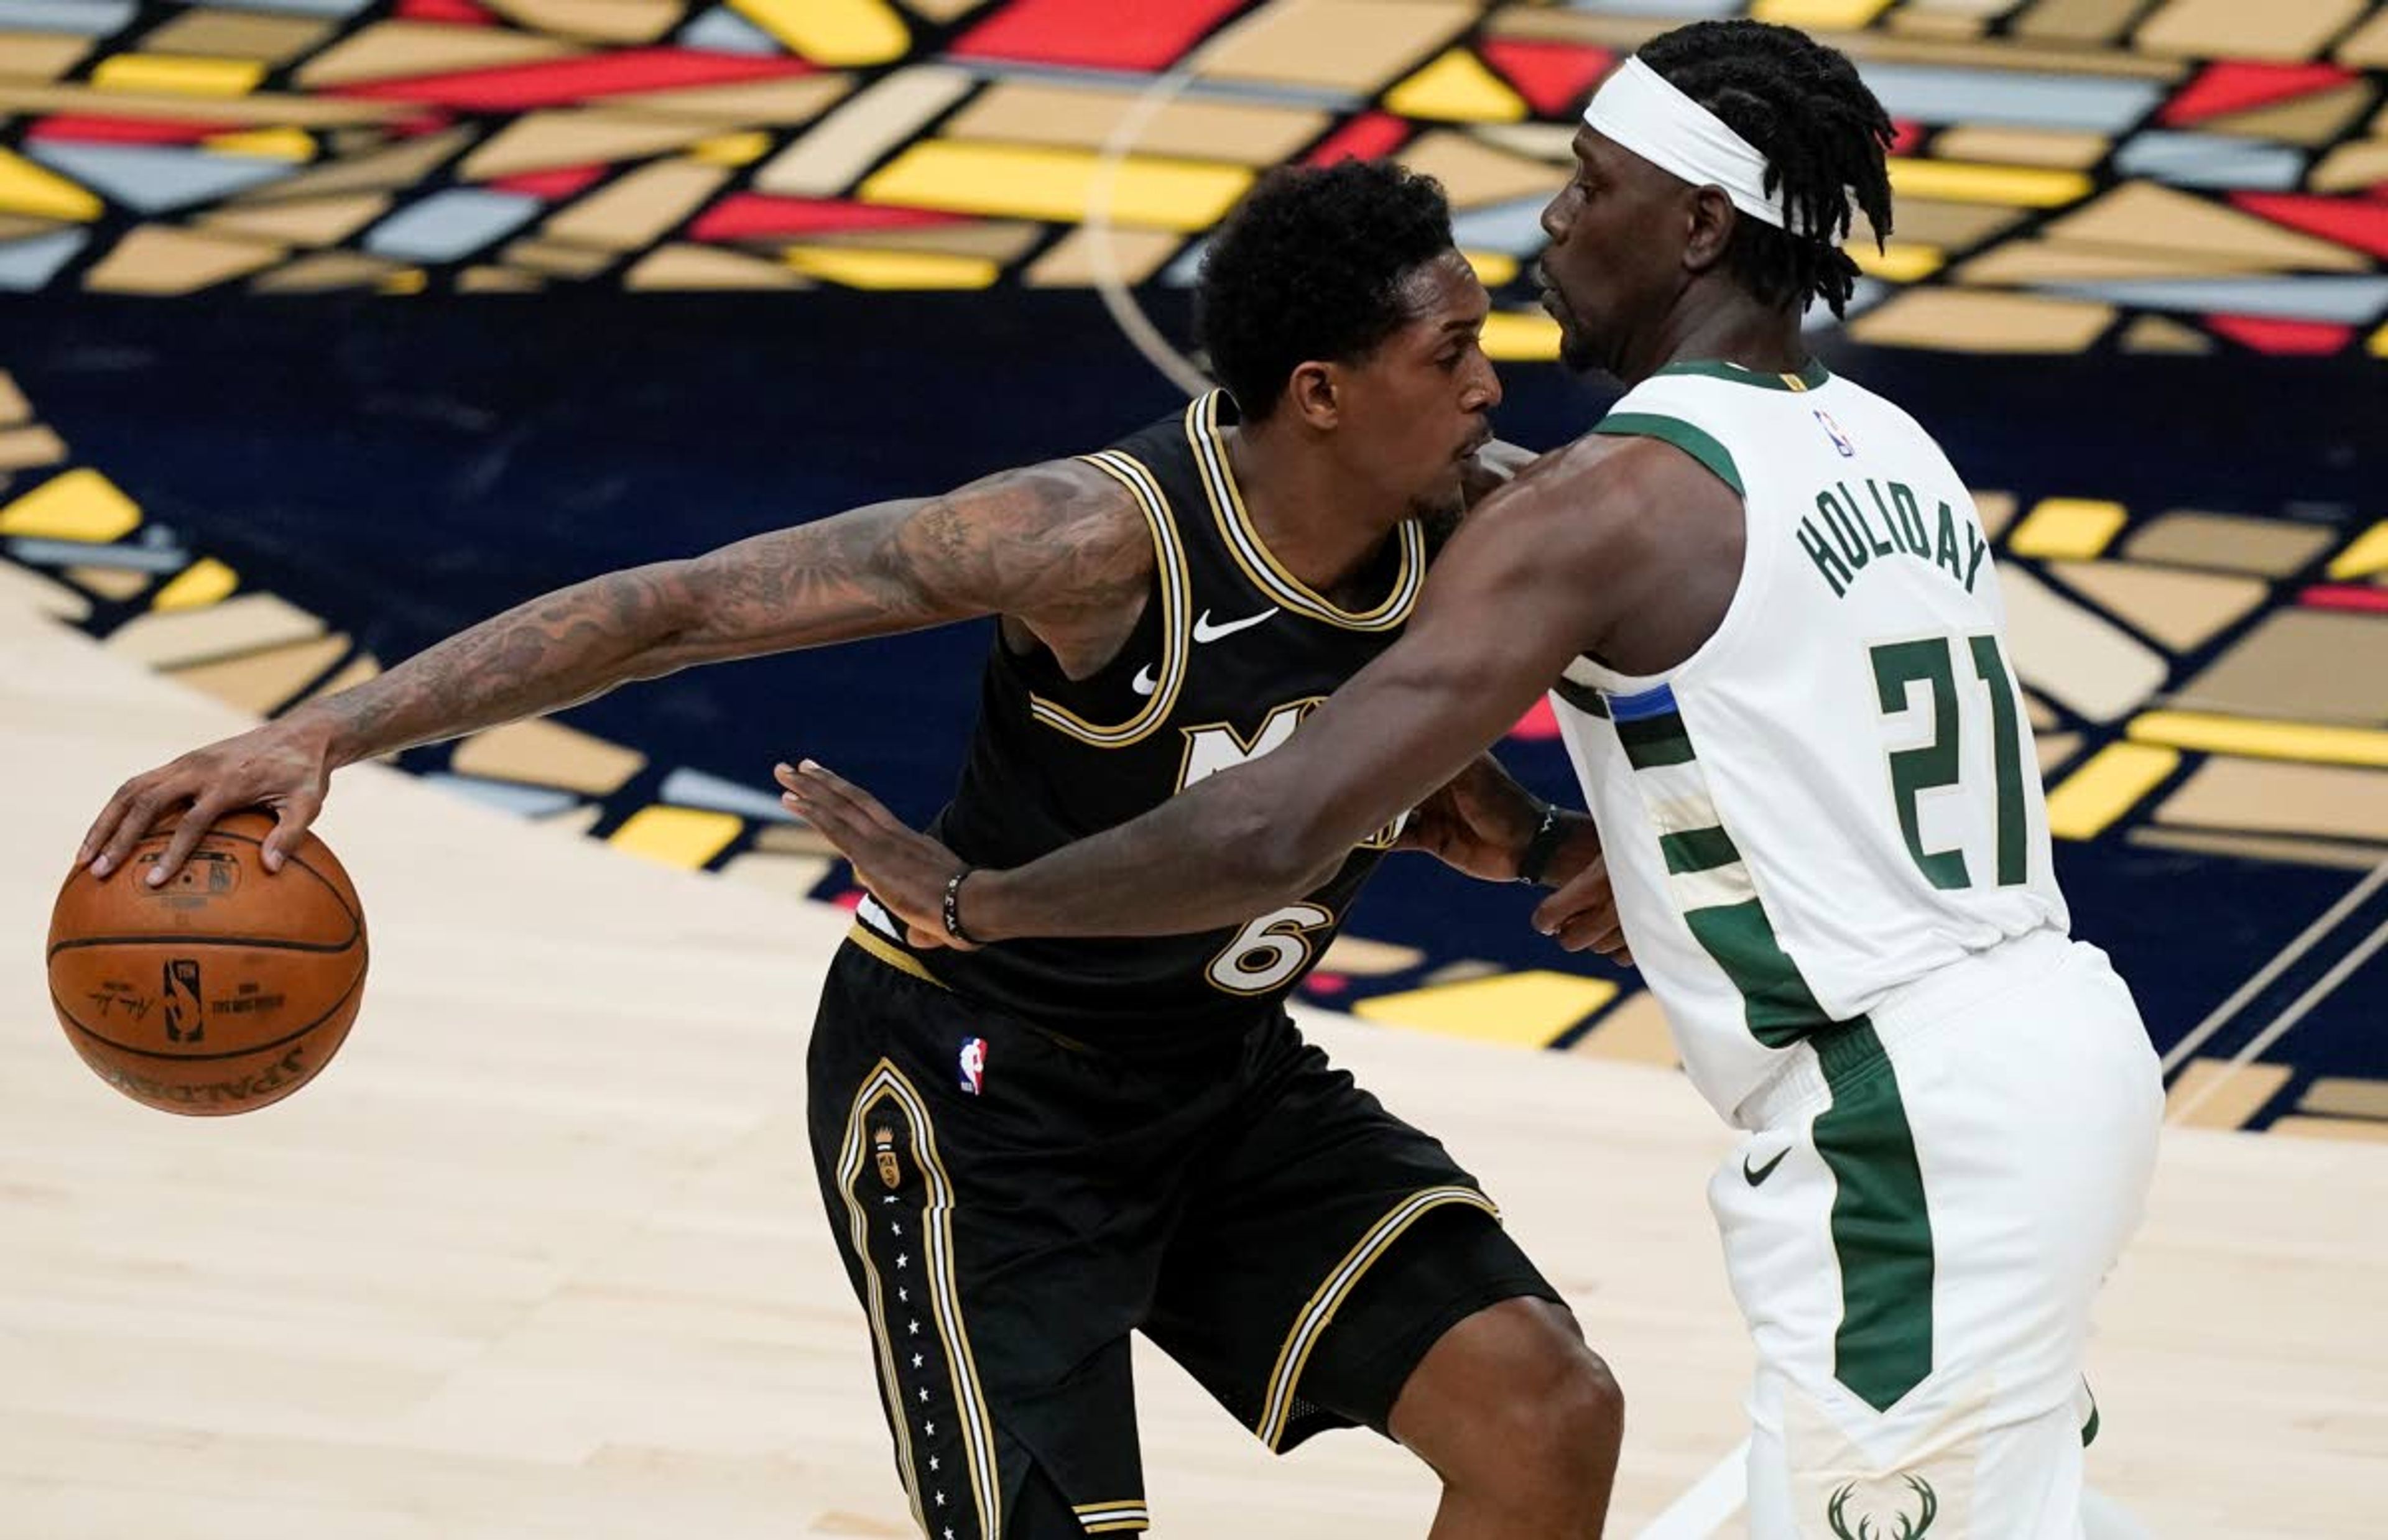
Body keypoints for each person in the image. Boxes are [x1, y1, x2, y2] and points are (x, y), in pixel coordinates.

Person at [76, 162, 1627, 1538]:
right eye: (1455, 352)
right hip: (981, 1102)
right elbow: (681, 605)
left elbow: (1574, 722)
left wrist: (1563, 839)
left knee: (1546, 1416)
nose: (1497, 382)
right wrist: (329, 733)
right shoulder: (1088, 539)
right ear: (1323, 392)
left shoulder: (1490, 534)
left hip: (1223, 1079)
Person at [781, 21, 2165, 1540]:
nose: (1552, 225)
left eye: (1588, 183)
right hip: (2065, 1054)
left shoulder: (1605, 501)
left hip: (1907, 1124)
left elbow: (1277, 819)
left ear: (1699, 224)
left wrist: (983, 901)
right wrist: (1585, 843)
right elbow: (1789, 751)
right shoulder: (1886, 445)